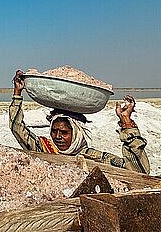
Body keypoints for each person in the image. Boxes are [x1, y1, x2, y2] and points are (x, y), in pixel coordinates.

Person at [9, 70, 150, 174]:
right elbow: (17, 128)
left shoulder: (93, 158)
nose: (57, 137)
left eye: (64, 132)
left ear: (76, 133)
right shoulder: (43, 148)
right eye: (54, 131)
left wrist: (127, 122)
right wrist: (17, 93)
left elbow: (137, 170)